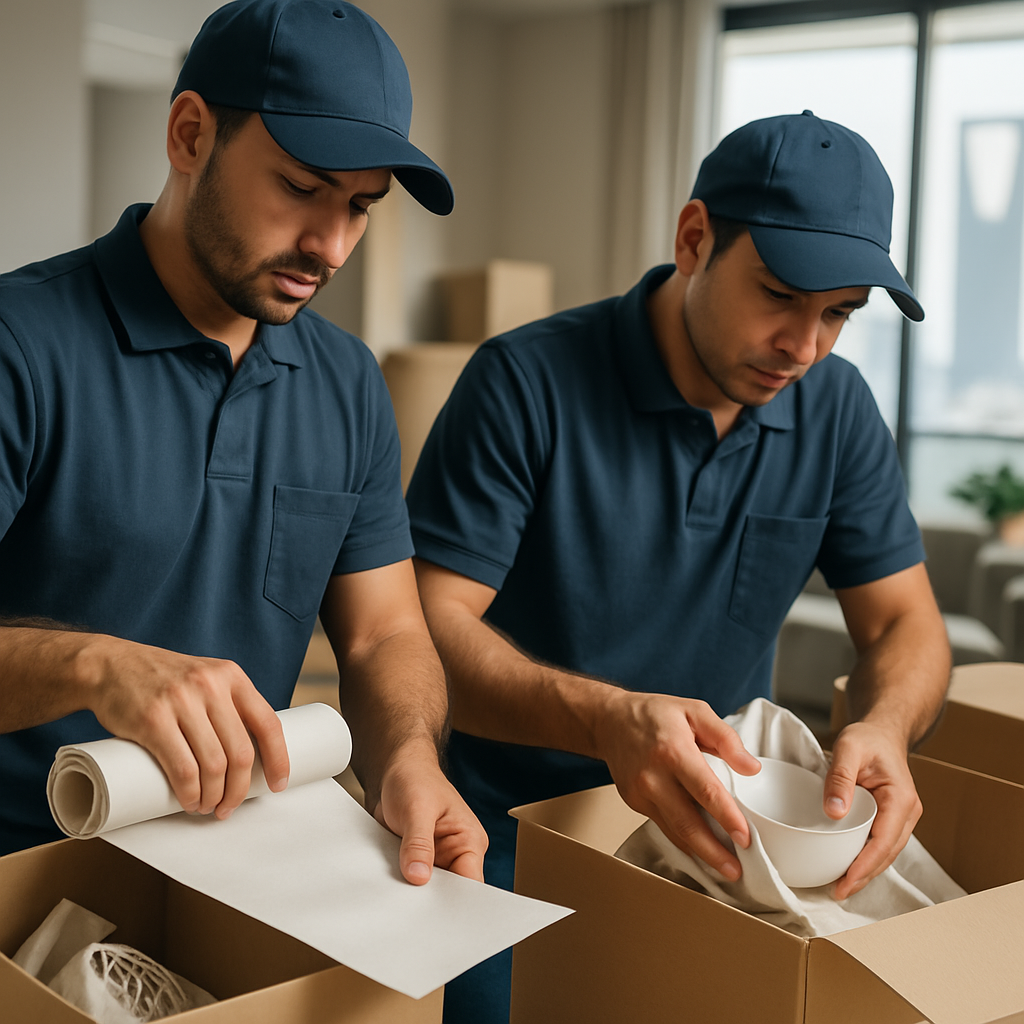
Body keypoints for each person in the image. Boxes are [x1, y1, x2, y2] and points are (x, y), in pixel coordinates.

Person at [406, 110, 951, 1022]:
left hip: (724, 846)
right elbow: (423, 629)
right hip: (504, 839)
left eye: (838, 314)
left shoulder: (837, 409)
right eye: (780, 295)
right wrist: (607, 720)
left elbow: (906, 623)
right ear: (694, 238)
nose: (805, 346)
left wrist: (887, 727)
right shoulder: (523, 383)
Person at [0, 0, 486, 888]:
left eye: (361, 207)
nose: (330, 245)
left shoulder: (347, 380)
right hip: (23, 861)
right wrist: (96, 665)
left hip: (233, 872)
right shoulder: (19, 345)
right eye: (300, 188)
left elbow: (382, 635)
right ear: (191, 134)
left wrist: (409, 759)